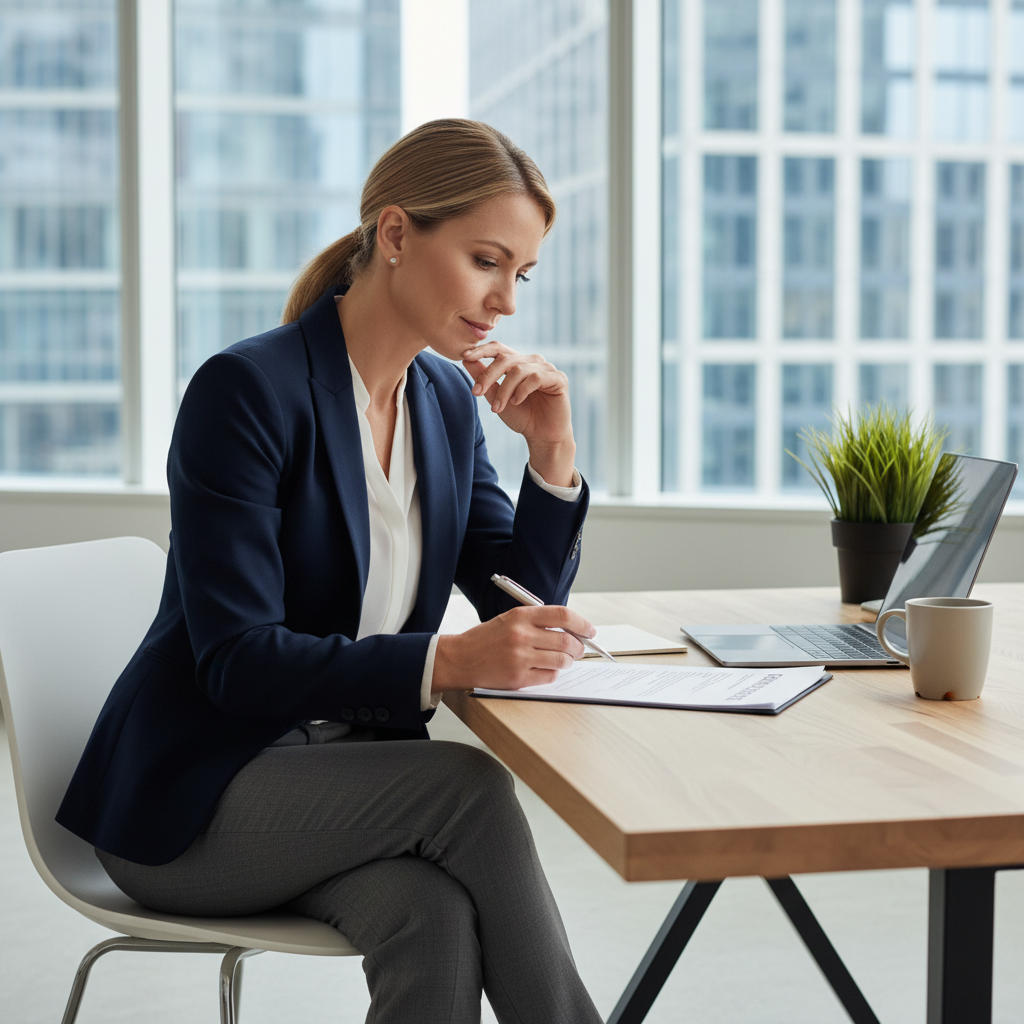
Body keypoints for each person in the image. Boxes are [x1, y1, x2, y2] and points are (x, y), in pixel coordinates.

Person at [56, 119, 604, 1024]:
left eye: (522, 273)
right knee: (465, 788)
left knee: (429, 915)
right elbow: (236, 660)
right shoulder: (247, 393)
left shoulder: (441, 404)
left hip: (348, 787)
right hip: (199, 800)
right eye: (486, 260)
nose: (507, 300)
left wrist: (553, 449)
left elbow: (522, 601)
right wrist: (449, 663)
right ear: (395, 235)